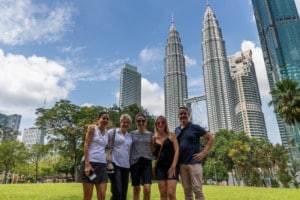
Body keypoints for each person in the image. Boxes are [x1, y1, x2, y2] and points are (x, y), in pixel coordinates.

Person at [175, 106, 215, 200]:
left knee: (197, 189)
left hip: (194, 163)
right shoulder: (177, 130)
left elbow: (211, 138)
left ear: (188, 115)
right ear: (178, 116)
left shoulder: (195, 127)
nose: (183, 115)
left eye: (184, 113)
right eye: (181, 114)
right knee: (187, 190)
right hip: (182, 164)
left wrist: (203, 153)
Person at [79, 111, 110, 200]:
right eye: (103, 118)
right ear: (98, 120)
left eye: (107, 118)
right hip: (91, 165)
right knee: (88, 195)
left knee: (102, 195)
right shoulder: (93, 129)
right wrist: (87, 164)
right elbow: (86, 145)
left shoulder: (107, 133)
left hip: (102, 166)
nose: (105, 120)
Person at [152, 115, 179, 200]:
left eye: (162, 122)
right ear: (156, 124)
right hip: (160, 168)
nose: (160, 124)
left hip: (172, 166)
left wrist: (173, 166)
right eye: (158, 122)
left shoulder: (171, 135)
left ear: (165, 124)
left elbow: (177, 151)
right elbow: (151, 154)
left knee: (171, 193)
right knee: (163, 193)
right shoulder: (153, 138)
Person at [108, 114, 132, 200]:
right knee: (117, 190)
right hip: (114, 164)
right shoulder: (112, 132)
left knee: (124, 193)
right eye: (124, 122)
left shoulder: (129, 136)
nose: (125, 124)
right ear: (120, 122)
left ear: (130, 124)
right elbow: (103, 138)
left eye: (128, 123)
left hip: (126, 166)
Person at [130, 113, 153, 200]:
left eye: (143, 121)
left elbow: (152, 148)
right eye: (139, 121)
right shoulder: (131, 134)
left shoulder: (150, 134)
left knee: (147, 188)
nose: (141, 122)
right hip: (134, 162)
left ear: (146, 122)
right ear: (136, 122)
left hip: (146, 162)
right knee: (136, 188)